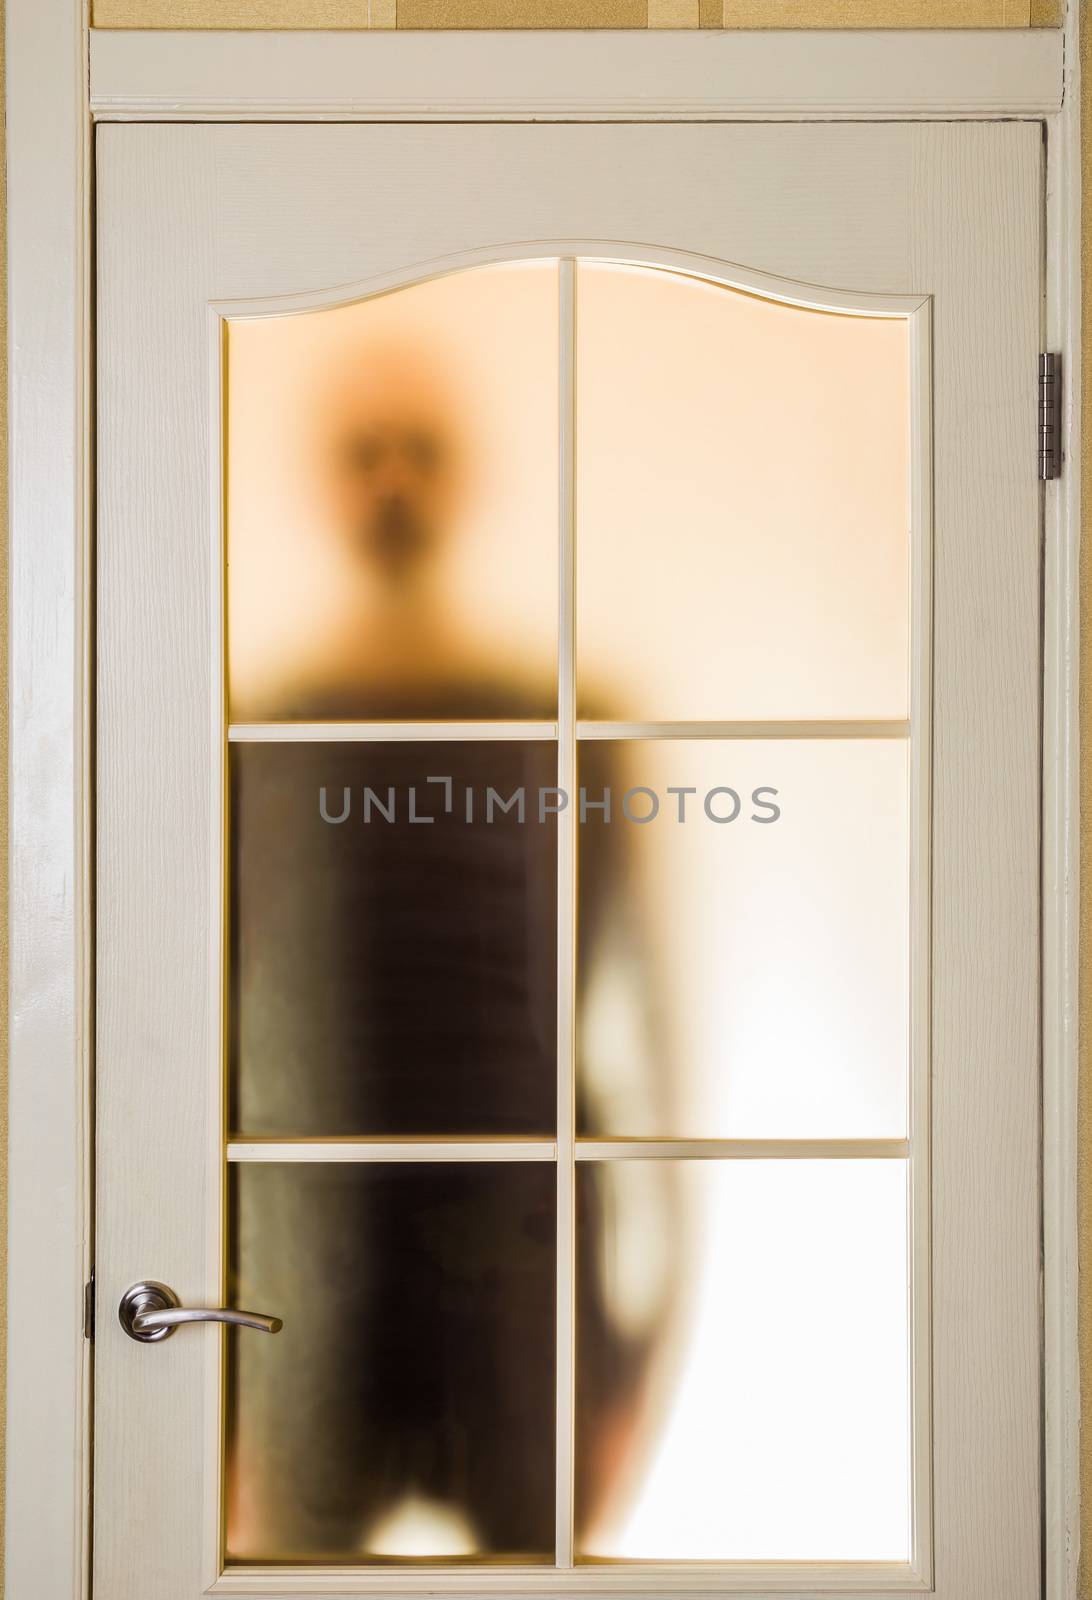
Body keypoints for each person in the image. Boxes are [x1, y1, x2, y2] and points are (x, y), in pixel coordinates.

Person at [225, 340, 679, 1563]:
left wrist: (639, 1343)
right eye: (362, 454)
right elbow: (213, 1047)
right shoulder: (251, 742)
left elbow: (645, 1058)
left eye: (418, 451)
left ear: (463, 477)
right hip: (310, 1291)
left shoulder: (568, 727)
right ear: (322, 484)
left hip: (522, 1280)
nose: (391, 482)